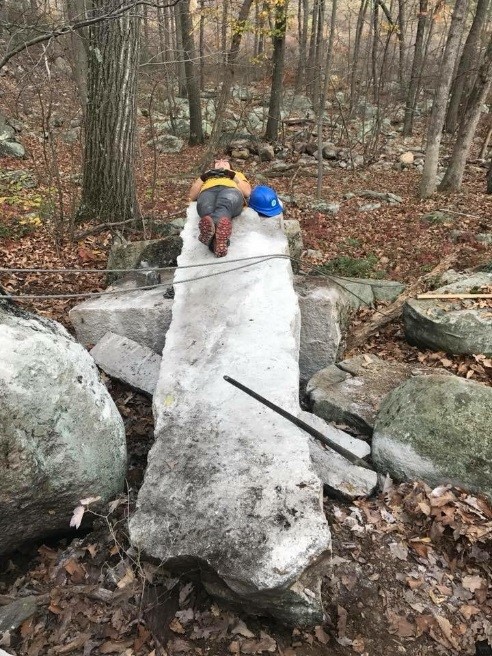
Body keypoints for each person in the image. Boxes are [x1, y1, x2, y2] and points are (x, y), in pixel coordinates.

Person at [189, 158, 251, 257]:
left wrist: (233, 175)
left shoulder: (237, 173)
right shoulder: (207, 176)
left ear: (230, 165)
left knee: (225, 204)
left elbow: (247, 192)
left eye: (225, 161)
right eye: (217, 162)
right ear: (213, 166)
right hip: (207, 191)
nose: (221, 163)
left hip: (230, 189)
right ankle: (219, 242)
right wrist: (204, 177)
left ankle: (210, 237)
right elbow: (192, 196)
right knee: (205, 207)